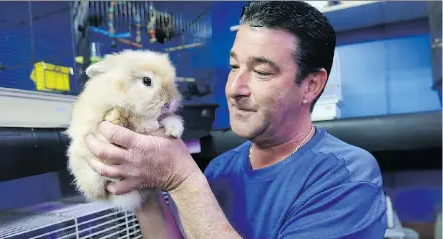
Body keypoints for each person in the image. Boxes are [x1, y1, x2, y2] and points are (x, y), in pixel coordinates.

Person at [84, 1, 387, 238]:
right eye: (233, 66)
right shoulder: (221, 169)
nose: (234, 88)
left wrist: (183, 181)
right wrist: (143, 193)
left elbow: (185, 183)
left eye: (262, 72)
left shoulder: (347, 177)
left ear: (310, 85)